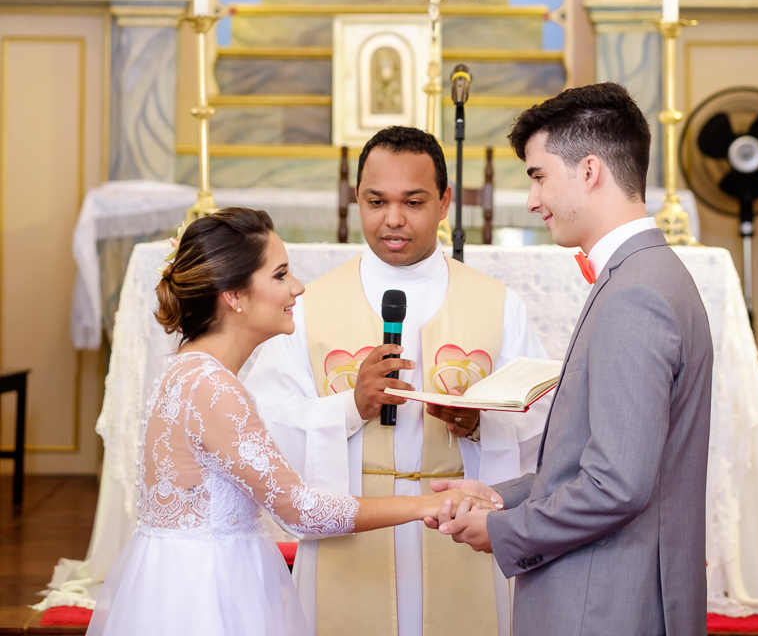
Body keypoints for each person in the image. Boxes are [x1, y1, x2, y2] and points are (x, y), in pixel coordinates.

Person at [88, 207, 494, 636]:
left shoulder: (189, 371)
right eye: (280, 275)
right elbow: (301, 512)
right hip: (205, 594)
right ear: (234, 295)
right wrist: (428, 503)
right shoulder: (212, 387)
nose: (297, 288)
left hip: (185, 576)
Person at [242, 126, 550, 636]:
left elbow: (543, 421)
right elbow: (264, 423)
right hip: (353, 528)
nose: (393, 219)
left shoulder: (498, 305)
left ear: (445, 201)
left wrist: (478, 426)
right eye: (376, 201)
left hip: (457, 522)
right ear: (356, 198)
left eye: (413, 201)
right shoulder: (311, 307)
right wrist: (350, 407)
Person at [431, 84, 714, 636]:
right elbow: (608, 459)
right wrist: (501, 496)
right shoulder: (648, 273)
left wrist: (505, 530)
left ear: (589, 171)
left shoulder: (636, 293)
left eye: (539, 176)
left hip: (604, 605)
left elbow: (617, 485)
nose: (532, 200)